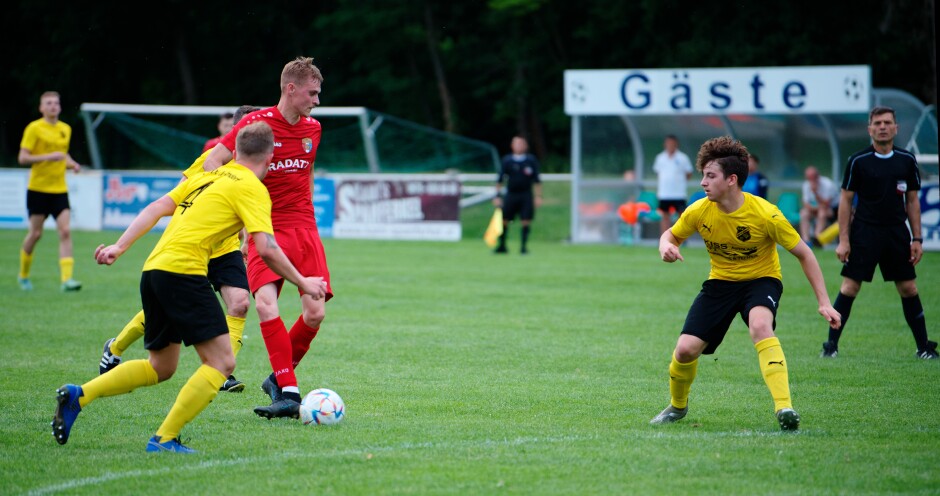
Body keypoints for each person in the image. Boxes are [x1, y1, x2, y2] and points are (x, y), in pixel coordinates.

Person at [52, 122, 328, 453]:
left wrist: (119, 247)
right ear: (271, 156)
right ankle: (164, 439)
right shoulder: (253, 188)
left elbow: (156, 207)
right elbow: (266, 248)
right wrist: (303, 281)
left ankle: (78, 395)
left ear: (234, 151)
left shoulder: (205, 176)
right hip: (184, 274)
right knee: (222, 364)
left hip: (154, 270)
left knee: (161, 367)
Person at [650, 136, 840, 431]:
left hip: (761, 280)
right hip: (721, 282)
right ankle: (677, 407)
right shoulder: (699, 210)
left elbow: (805, 253)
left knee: (760, 326)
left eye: (710, 176)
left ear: (731, 179)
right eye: (702, 175)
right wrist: (666, 246)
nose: (703, 182)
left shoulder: (766, 214)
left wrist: (824, 301)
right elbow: (670, 235)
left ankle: (784, 408)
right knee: (686, 350)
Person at [98, 105, 262, 393]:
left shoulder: (258, 165)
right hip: (192, 250)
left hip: (224, 249)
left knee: (240, 303)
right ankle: (115, 347)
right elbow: (175, 202)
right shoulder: (208, 161)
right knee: (167, 309)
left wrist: (246, 237)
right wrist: (120, 246)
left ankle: (221, 372)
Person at [203, 56, 333, 419]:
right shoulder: (255, 125)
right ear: (290, 89)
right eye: (312, 93)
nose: (316, 100)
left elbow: (305, 174)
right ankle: (289, 390)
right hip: (265, 224)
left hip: (304, 226)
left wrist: (309, 214)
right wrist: (240, 211)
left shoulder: (313, 129)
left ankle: (278, 379)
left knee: (315, 311)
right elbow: (213, 162)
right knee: (264, 304)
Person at [821, 106, 937, 359]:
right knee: (850, 287)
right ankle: (830, 347)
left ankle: (923, 348)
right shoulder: (858, 161)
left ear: (896, 128)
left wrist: (917, 238)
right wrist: (843, 240)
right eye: (877, 123)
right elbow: (845, 200)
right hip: (864, 232)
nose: (882, 127)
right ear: (869, 129)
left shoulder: (907, 160)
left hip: (897, 233)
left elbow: (913, 201)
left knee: (909, 289)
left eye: (887, 123)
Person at [17, 91, 83, 292]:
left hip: (59, 190)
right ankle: (24, 275)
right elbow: (22, 158)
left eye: (56, 103)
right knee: (36, 234)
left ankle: (67, 280)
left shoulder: (65, 129)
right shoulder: (34, 128)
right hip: (38, 189)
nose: (53, 106)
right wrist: (47, 157)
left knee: (65, 231)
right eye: (49, 103)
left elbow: (63, 155)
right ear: (41, 108)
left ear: (60, 107)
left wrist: (72, 163)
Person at [492, 136, 543, 254]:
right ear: (512, 145)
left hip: (526, 195)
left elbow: (537, 181)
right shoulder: (507, 160)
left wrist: (538, 196)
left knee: (526, 220)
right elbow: (500, 180)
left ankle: (523, 247)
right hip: (511, 195)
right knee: (504, 220)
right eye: (516, 143)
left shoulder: (531, 160)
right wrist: (497, 196)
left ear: (526, 146)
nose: (519, 146)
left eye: (521, 144)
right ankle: (502, 246)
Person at [652, 134, 694, 234]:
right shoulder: (660, 158)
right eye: (668, 143)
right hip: (664, 193)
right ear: (665, 144)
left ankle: (680, 237)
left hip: (678, 193)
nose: (670, 145)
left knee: (681, 216)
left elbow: (689, 173)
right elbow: (658, 172)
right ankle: (665, 237)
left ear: (676, 144)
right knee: (665, 216)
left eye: (672, 143)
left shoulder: (683, 158)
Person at [799, 166, 838, 244]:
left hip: (833, 210)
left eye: (812, 177)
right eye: (808, 178)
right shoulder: (806, 185)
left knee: (822, 213)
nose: (811, 180)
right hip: (816, 208)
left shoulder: (828, 184)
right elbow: (806, 204)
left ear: (817, 176)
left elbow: (826, 204)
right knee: (804, 213)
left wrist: (815, 192)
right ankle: (806, 241)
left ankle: (817, 238)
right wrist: (816, 208)